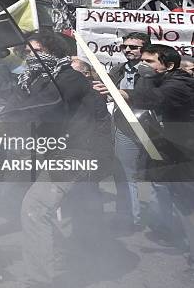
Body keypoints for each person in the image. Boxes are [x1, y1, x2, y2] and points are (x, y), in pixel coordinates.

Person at [15, 31, 114, 287]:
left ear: (52, 53)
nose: (29, 57)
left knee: (35, 208)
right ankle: (71, 259)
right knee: (75, 211)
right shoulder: (39, 79)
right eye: (26, 52)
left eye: (33, 51)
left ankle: (39, 281)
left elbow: (37, 108)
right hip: (62, 153)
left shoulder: (68, 79)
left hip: (77, 155)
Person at [118, 44, 194, 281]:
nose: (143, 65)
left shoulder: (180, 83)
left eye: (150, 62)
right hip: (175, 153)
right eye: (143, 60)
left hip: (187, 153)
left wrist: (127, 94)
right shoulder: (159, 78)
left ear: (169, 65)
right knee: (183, 204)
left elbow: (153, 99)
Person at [93, 32, 151, 230]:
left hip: (152, 127)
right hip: (125, 127)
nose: (128, 50)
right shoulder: (118, 69)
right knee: (124, 173)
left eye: (134, 47)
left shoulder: (153, 69)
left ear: (145, 49)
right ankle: (129, 218)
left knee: (162, 179)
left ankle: (166, 222)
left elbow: (153, 94)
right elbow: (105, 89)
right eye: (125, 46)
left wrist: (123, 93)